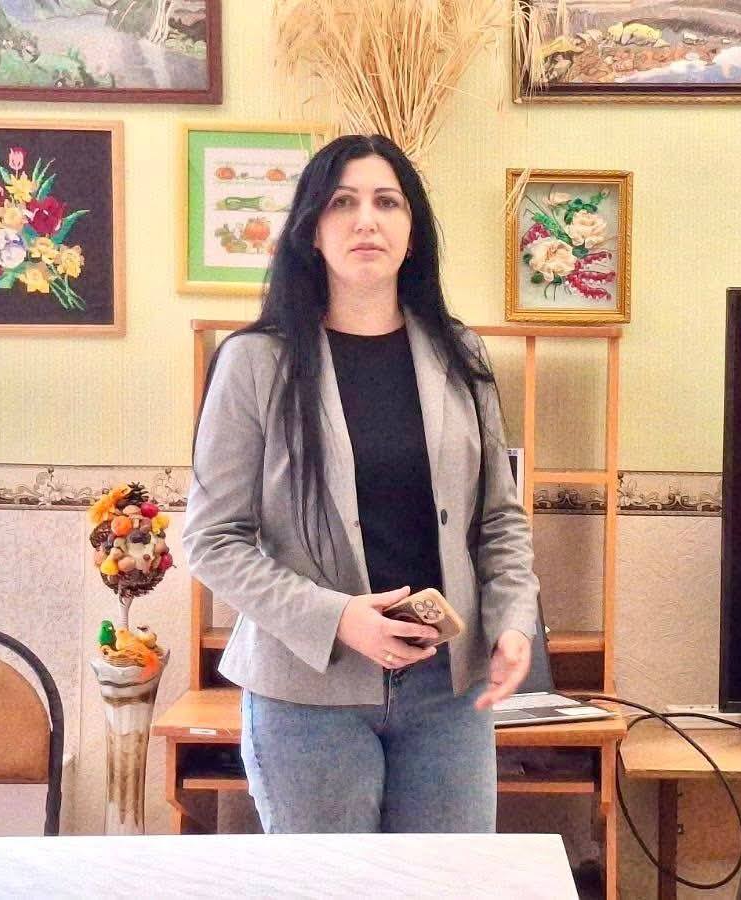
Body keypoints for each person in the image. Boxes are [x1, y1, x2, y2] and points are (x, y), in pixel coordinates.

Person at [183, 134, 539, 835]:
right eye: (342, 203)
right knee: (332, 884)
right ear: (311, 231)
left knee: (447, 884)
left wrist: (512, 621)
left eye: (386, 202)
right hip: (306, 696)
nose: (366, 220)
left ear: (413, 231)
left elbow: (499, 517)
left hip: (447, 692)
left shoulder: (461, 353)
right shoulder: (253, 362)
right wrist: (338, 618)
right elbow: (211, 540)